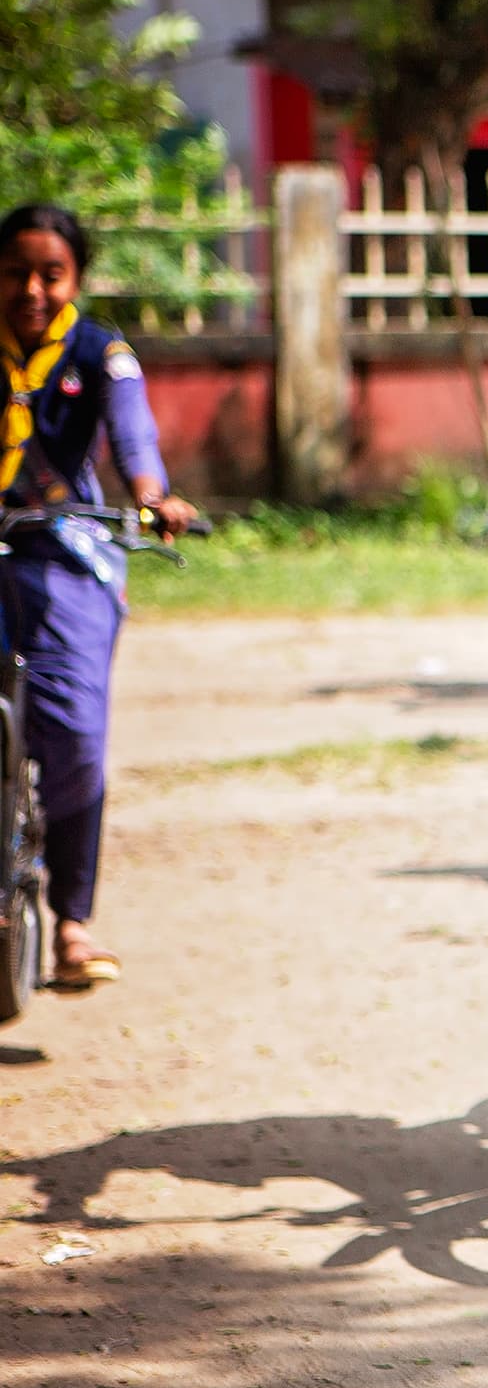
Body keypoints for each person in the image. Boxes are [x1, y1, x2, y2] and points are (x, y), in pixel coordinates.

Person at [0, 204, 198, 991]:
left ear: (76, 279)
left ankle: (71, 923)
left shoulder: (99, 351)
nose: (32, 290)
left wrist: (153, 495)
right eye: (16, 272)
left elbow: (133, 434)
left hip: (63, 548)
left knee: (75, 738)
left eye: (52, 274)